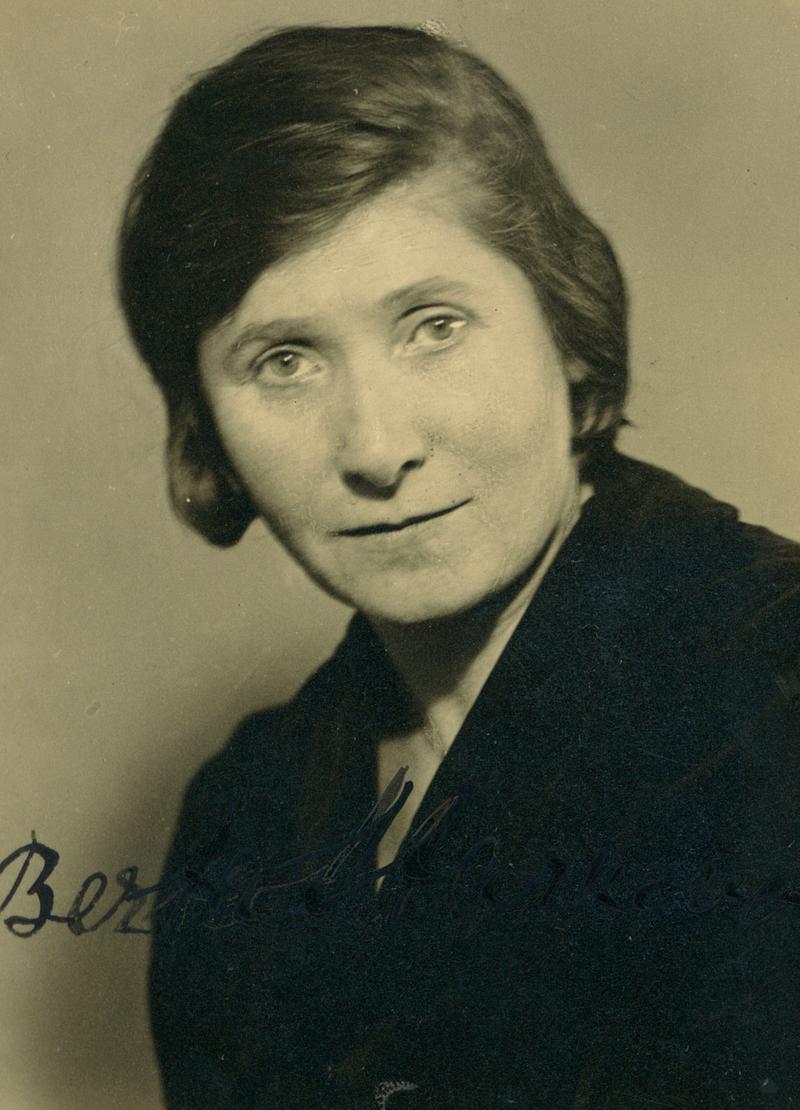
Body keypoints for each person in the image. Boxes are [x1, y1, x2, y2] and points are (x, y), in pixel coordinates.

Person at [118, 24, 800, 1109]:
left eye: (432, 327)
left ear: (565, 329)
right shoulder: (246, 821)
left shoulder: (773, 689)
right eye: (283, 361)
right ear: (205, 424)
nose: (376, 447)